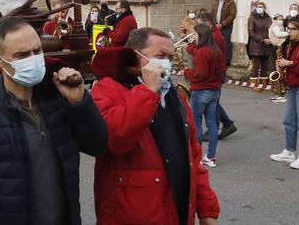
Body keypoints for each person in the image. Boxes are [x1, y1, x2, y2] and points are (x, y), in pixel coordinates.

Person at [0, 16, 107, 225]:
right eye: (22, 55)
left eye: (37, 51)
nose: (33, 59)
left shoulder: (58, 101)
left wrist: (79, 102)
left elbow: (98, 145)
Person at [91, 28, 220, 225]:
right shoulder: (108, 88)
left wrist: (206, 209)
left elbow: (193, 156)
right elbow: (113, 139)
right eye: (160, 56)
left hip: (176, 211)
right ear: (135, 56)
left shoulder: (175, 96)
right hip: (131, 213)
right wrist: (148, 91)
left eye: (170, 57)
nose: (166, 63)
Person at [269, 17, 299, 170]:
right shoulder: (291, 44)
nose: (288, 32)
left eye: (292, 29)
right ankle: (289, 151)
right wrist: (282, 66)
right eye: (288, 29)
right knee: (289, 121)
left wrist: (289, 63)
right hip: (294, 88)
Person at [184, 24, 225, 168]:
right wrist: (190, 48)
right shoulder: (216, 50)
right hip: (214, 90)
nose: (193, 37)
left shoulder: (202, 52)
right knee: (212, 124)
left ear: (201, 36)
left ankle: (197, 157)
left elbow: (199, 74)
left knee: (196, 124)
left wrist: (186, 72)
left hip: (201, 90)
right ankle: (211, 157)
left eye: (195, 35)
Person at [195, 12, 236, 140]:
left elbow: (207, 54)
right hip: (215, 72)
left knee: (212, 101)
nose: (197, 27)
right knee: (213, 101)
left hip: (215, 73)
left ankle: (215, 128)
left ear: (207, 23)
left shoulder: (214, 36)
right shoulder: (212, 34)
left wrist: (193, 48)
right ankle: (227, 123)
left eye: (199, 24)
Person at [247, 1, 274, 93]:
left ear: (264, 8)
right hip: (256, 45)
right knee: (256, 65)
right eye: (258, 6)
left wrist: (271, 39)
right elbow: (251, 32)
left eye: (261, 7)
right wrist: (262, 40)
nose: (259, 8)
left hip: (267, 45)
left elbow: (272, 29)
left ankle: (264, 82)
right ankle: (254, 83)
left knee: (265, 64)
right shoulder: (252, 18)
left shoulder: (268, 18)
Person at [211, 0, 236, 68]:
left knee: (226, 44)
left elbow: (232, 15)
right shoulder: (215, 1)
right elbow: (212, 13)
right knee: (216, 44)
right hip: (216, 26)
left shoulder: (231, 2)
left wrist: (222, 24)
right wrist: (214, 24)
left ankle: (226, 62)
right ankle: (217, 61)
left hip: (226, 28)